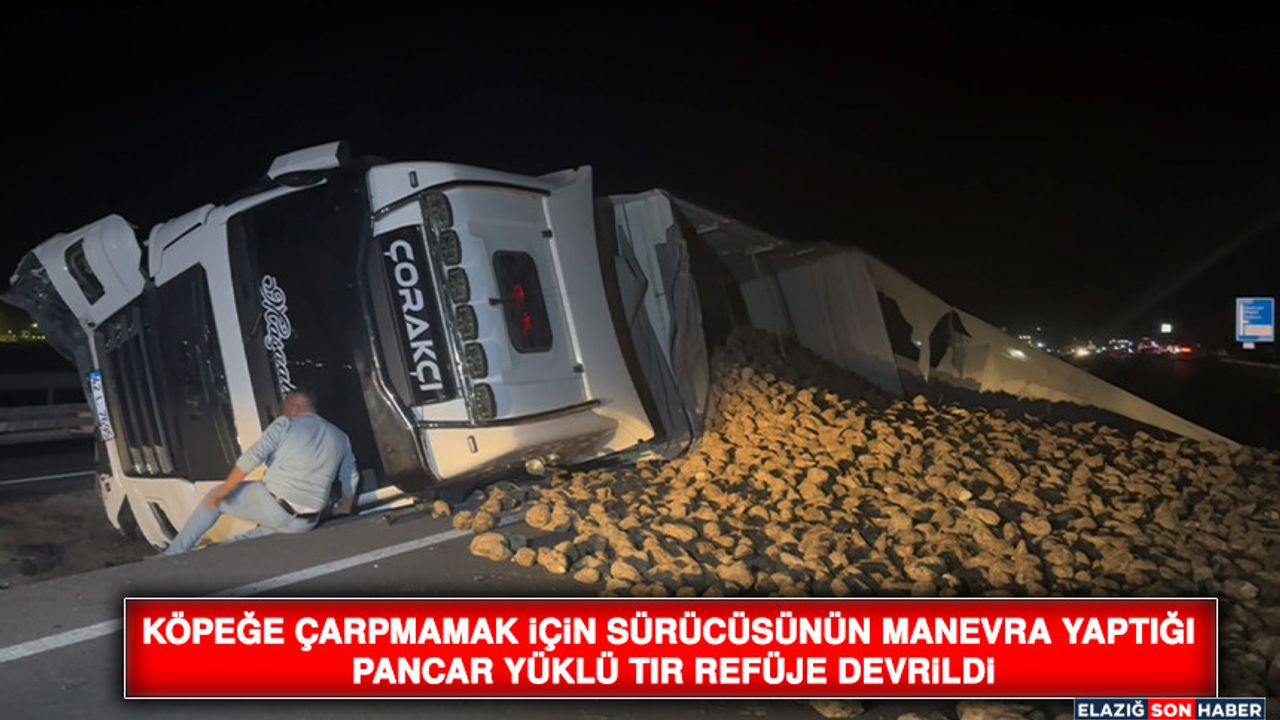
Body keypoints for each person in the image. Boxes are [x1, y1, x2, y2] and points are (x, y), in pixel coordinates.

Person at [161, 390, 359, 555]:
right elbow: (351, 478)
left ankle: (173, 553)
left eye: (286, 408)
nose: (284, 412)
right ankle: (217, 554)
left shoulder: (286, 424)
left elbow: (252, 457)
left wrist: (225, 490)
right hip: (306, 522)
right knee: (260, 532)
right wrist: (345, 509)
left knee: (215, 495)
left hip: (276, 508)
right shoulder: (340, 437)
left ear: (295, 407)